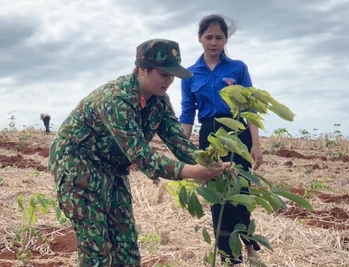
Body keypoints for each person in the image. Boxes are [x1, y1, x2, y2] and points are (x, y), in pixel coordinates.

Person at [48, 39, 231, 267]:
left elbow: (177, 139)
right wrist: (192, 172)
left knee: (126, 246)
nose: (169, 81)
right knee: (97, 248)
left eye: (172, 75)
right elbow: (142, 156)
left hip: (113, 167)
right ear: (142, 69)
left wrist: (210, 164)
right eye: (164, 74)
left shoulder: (159, 100)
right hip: (77, 163)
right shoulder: (115, 99)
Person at [179, 14, 264, 265]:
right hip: (209, 136)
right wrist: (183, 147)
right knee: (217, 194)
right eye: (209, 37)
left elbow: (250, 108)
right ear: (199, 38)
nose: (214, 42)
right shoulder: (190, 74)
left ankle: (247, 243)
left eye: (219, 37)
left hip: (238, 134)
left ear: (226, 39)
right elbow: (187, 112)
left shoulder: (238, 68)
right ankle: (229, 256)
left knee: (239, 188)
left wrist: (256, 145)